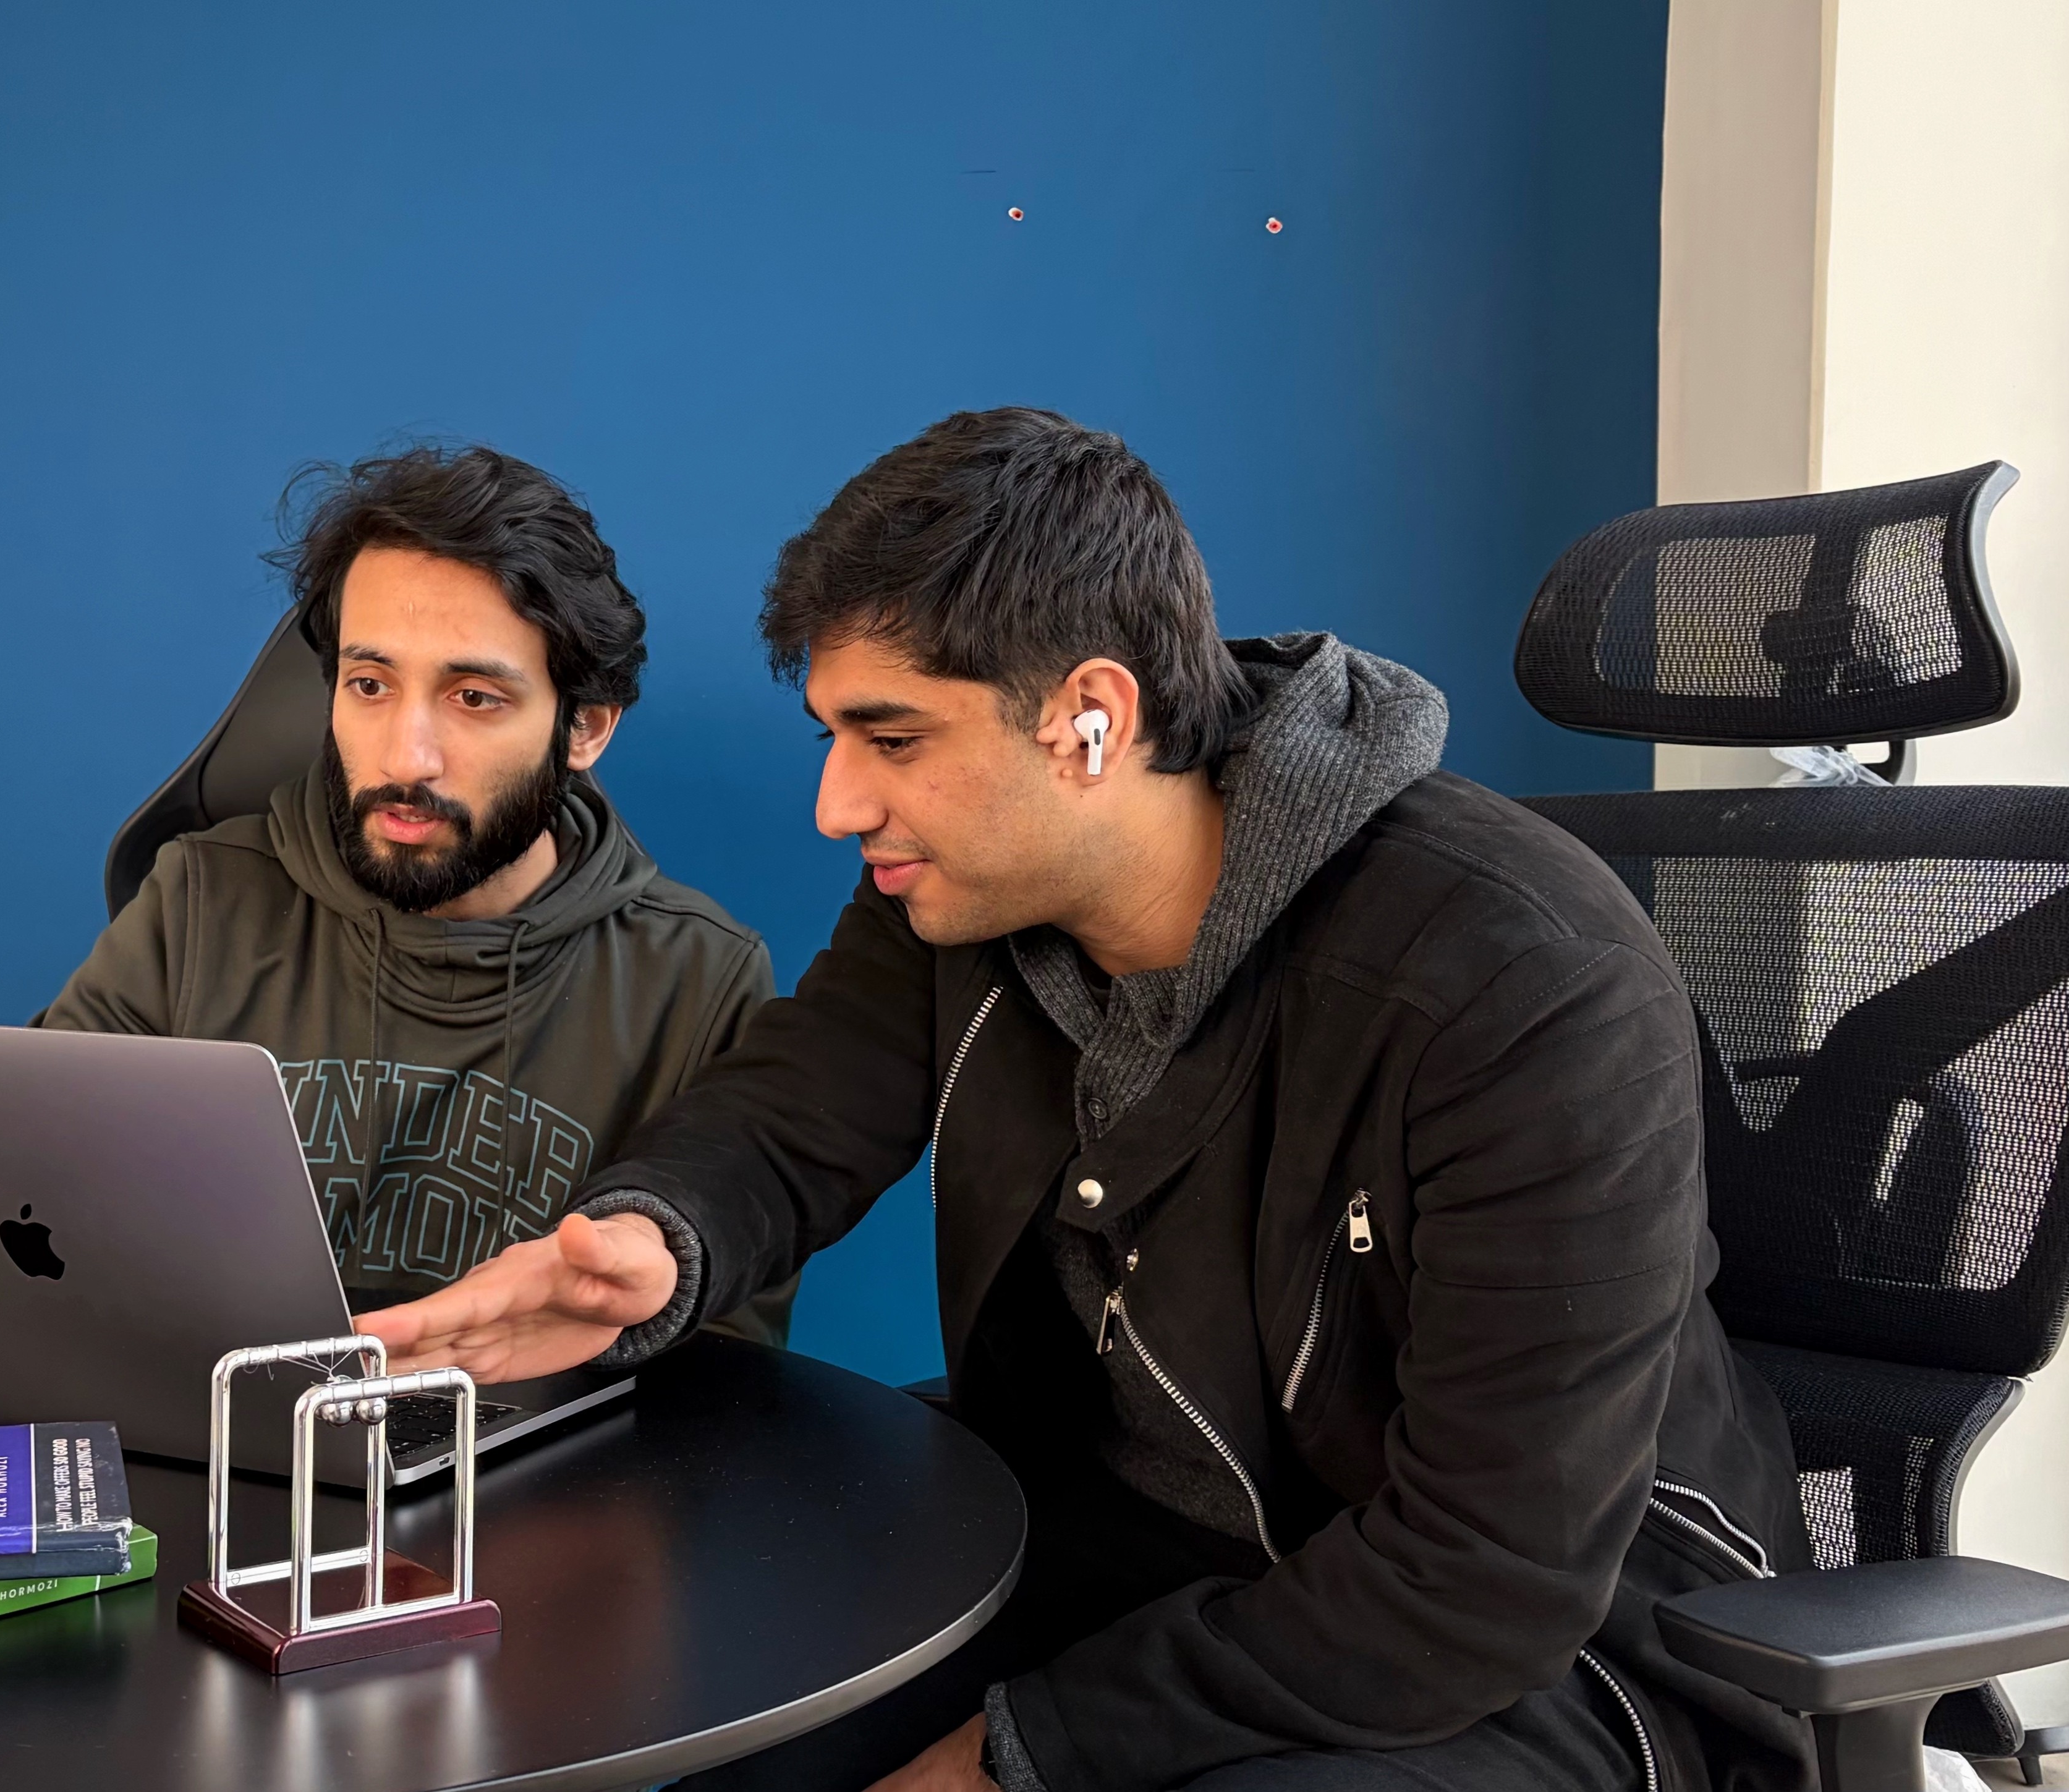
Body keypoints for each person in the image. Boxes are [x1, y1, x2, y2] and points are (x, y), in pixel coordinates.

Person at [364, 410, 1817, 1790]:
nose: (840, 804)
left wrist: (1023, 1754)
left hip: (1562, 1649)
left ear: (1091, 720)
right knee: (740, 1758)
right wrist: (654, 1242)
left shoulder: (1520, 979)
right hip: (1147, 1548)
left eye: (895, 737)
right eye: (832, 737)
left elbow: (1487, 1576)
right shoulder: (962, 896)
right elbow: (795, 1108)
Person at [42, 444, 798, 1344]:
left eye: (474, 698)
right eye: (369, 685)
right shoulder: (198, 901)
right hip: (213, 1438)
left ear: (583, 728)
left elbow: (724, 1372)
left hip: (535, 1473)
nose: (405, 759)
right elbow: (29, 1202)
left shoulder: (699, 979)